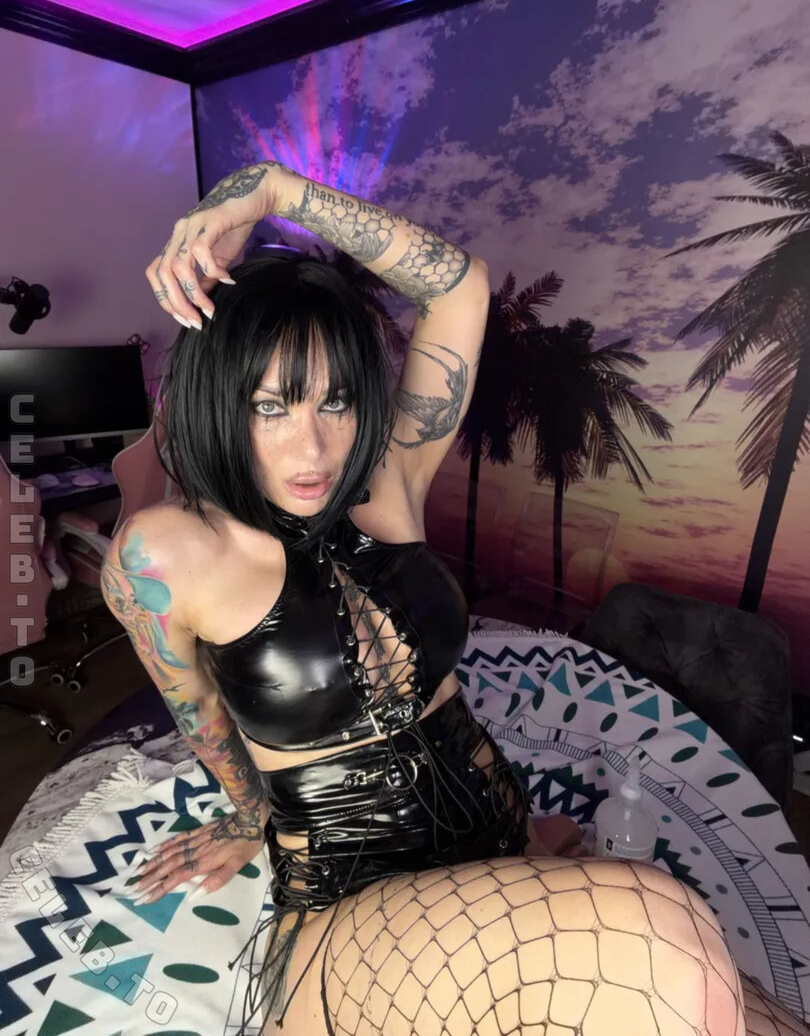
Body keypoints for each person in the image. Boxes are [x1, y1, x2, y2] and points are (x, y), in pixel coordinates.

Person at [101, 161, 804, 1036]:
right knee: (667, 931)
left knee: (733, 1003)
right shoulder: (167, 553)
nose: (313, 448)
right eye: (270, 408)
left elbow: (458, 286)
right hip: (352, 904)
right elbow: (202, 712)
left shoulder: (388, 474)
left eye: (336, 402)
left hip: (495, 840)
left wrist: (275, 190)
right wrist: (250, 819)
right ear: (219, 402)